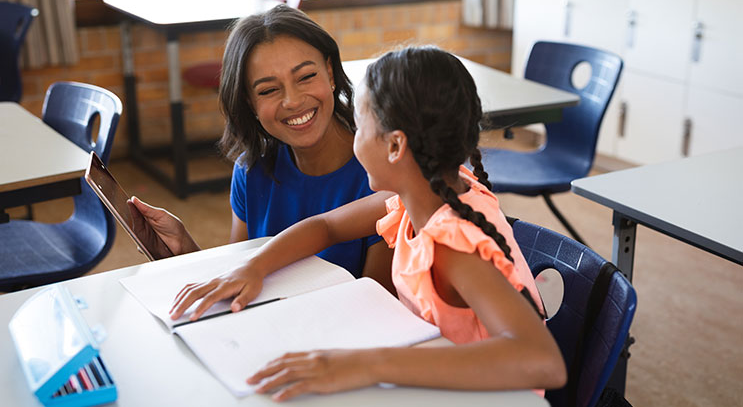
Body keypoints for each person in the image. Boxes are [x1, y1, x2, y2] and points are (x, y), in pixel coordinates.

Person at [169, 46, 567, 401]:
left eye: (360, 126)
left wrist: (366, 365)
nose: (353, 139)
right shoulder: (419, 197)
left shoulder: (451, 244)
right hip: (433, 371)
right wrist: (252, 266)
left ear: (395, 145)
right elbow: (324, 226)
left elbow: (542, 361)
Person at [128, 4, 394, 292]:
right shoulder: (251, 169)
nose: (292, 101)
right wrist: (183, 248)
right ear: (249, 103)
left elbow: (378, 304)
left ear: (330, 73)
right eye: (268, 90)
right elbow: (238, 275)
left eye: (305, 77)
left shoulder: (384, 173)